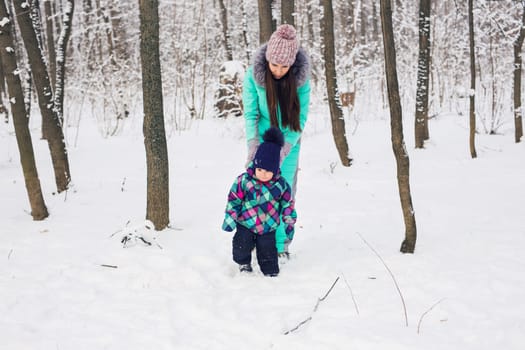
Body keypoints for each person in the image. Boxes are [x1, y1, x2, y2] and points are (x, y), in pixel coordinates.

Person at [242, 24, 311, 258]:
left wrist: (286, 147)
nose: (279, 70)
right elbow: (251, 113)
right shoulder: (253, 76)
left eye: (284, 66)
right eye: (275, 65)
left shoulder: (301, 81)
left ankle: (280, 246)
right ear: (268, 59)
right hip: (261, 142)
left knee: (284, 194)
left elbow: (300, 117)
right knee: (256, 193)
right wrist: (253, 144)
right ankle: (255, 241)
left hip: (289, 143)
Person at [222, 127, 297, 276]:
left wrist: (289, 219)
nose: (263, 174)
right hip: (245, 223)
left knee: (267, 250)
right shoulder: (244, 181)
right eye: (260, 170)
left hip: (268, 226)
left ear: (275, 170)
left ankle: (270, 272)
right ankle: (243, 263)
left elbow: (287, 204)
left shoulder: (280, 185)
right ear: (255, 165)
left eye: (268, 171)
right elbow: (234, 199)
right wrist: (230, 218)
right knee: (241, 245)